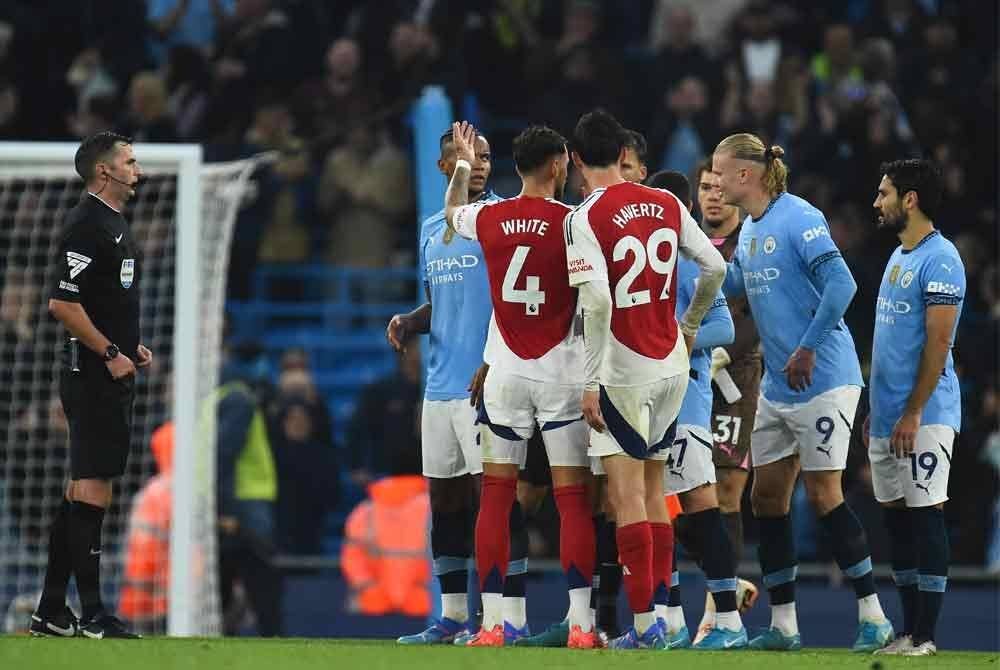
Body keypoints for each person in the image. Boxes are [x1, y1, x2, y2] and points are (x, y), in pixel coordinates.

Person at [712, 132, 893, 652]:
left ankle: (872, 616)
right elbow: (732, 287)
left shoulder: (801, 217)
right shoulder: (749, 231)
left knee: (822, 493)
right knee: (765, 498)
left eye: (721, 172)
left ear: (745, 175)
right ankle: (785, 626)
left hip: (824, 379)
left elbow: (842, 286)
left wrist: (808, 347)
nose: (717, 183)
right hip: (780, 387)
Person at [565, 109, 726, 649]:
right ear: (621, 154)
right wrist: (689, 325)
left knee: (626, 496)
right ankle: (662, 616)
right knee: (656, 492)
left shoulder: (584, 217)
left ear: (579, 159)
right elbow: (715, 268)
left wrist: (590, 381)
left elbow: (594, 298)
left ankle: (643, 626)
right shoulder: (665, 203)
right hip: (671, 367)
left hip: (623, 371)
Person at [445, 122, 596, 648]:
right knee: (572, 499)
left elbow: (450, 213)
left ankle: (491, 626)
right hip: (562, 371)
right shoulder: (575, 223)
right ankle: (581, 625)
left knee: (495, 496)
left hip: (505, 371)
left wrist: (464, 164)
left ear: (515, 167)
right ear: (557, 165)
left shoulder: (488, 216)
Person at [389, 128, 532, 644]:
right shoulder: (432, 229)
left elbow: (515, 305)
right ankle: (452, 616)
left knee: (494, 501)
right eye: (469, 156)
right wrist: (410, 321)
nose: (481, 164)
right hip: (439, 388)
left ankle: (509, 615)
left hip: (487, 384)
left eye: (488, 157)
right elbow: (444, 306)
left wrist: (498, 361)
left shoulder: (499, 222)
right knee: (445, 502)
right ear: (443, 166)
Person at [33, 131, 147, 639]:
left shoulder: (114, 224)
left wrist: (129, 344)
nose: (136, 169)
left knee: (81, 490)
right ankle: (96, 613)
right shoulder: (86, 224)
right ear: (105, 171)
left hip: (105, 367)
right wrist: (108, 351)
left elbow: (102, 300)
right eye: (129, 161)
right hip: (92, 373)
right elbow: (62, 303)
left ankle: (51, 610)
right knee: (94, 488)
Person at [868, 159, 964, 657]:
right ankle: (906, 631)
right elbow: (889, 341)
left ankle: (926, 636)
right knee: (897, 521)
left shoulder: (941, 258)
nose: (876, 201)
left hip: (924, 415)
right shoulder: (899, 256)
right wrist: (879, 408)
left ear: (910, 199)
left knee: (926, 515)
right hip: (887, 414)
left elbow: (938, 344)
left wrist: (912, 412)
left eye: (884, 193)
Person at [647, 169, 747, 650]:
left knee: (701, 508)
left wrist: (674, 343)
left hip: (686, 404)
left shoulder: (691, 261)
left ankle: (727, 619)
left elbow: (724, 328)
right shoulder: (650, 259)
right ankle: (669, 619)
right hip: (649, 404)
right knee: (659, 512)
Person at [692, 157, 761, 642]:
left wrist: (723, 352)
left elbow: (757, 316)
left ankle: (717, 613)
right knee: (683, 496)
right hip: (689, 381)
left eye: (719, 187)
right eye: (704, 187)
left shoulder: (751, 245)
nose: (713, 195)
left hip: (736, 380)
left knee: (727, 491)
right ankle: (726, 587)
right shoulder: (685, 242)